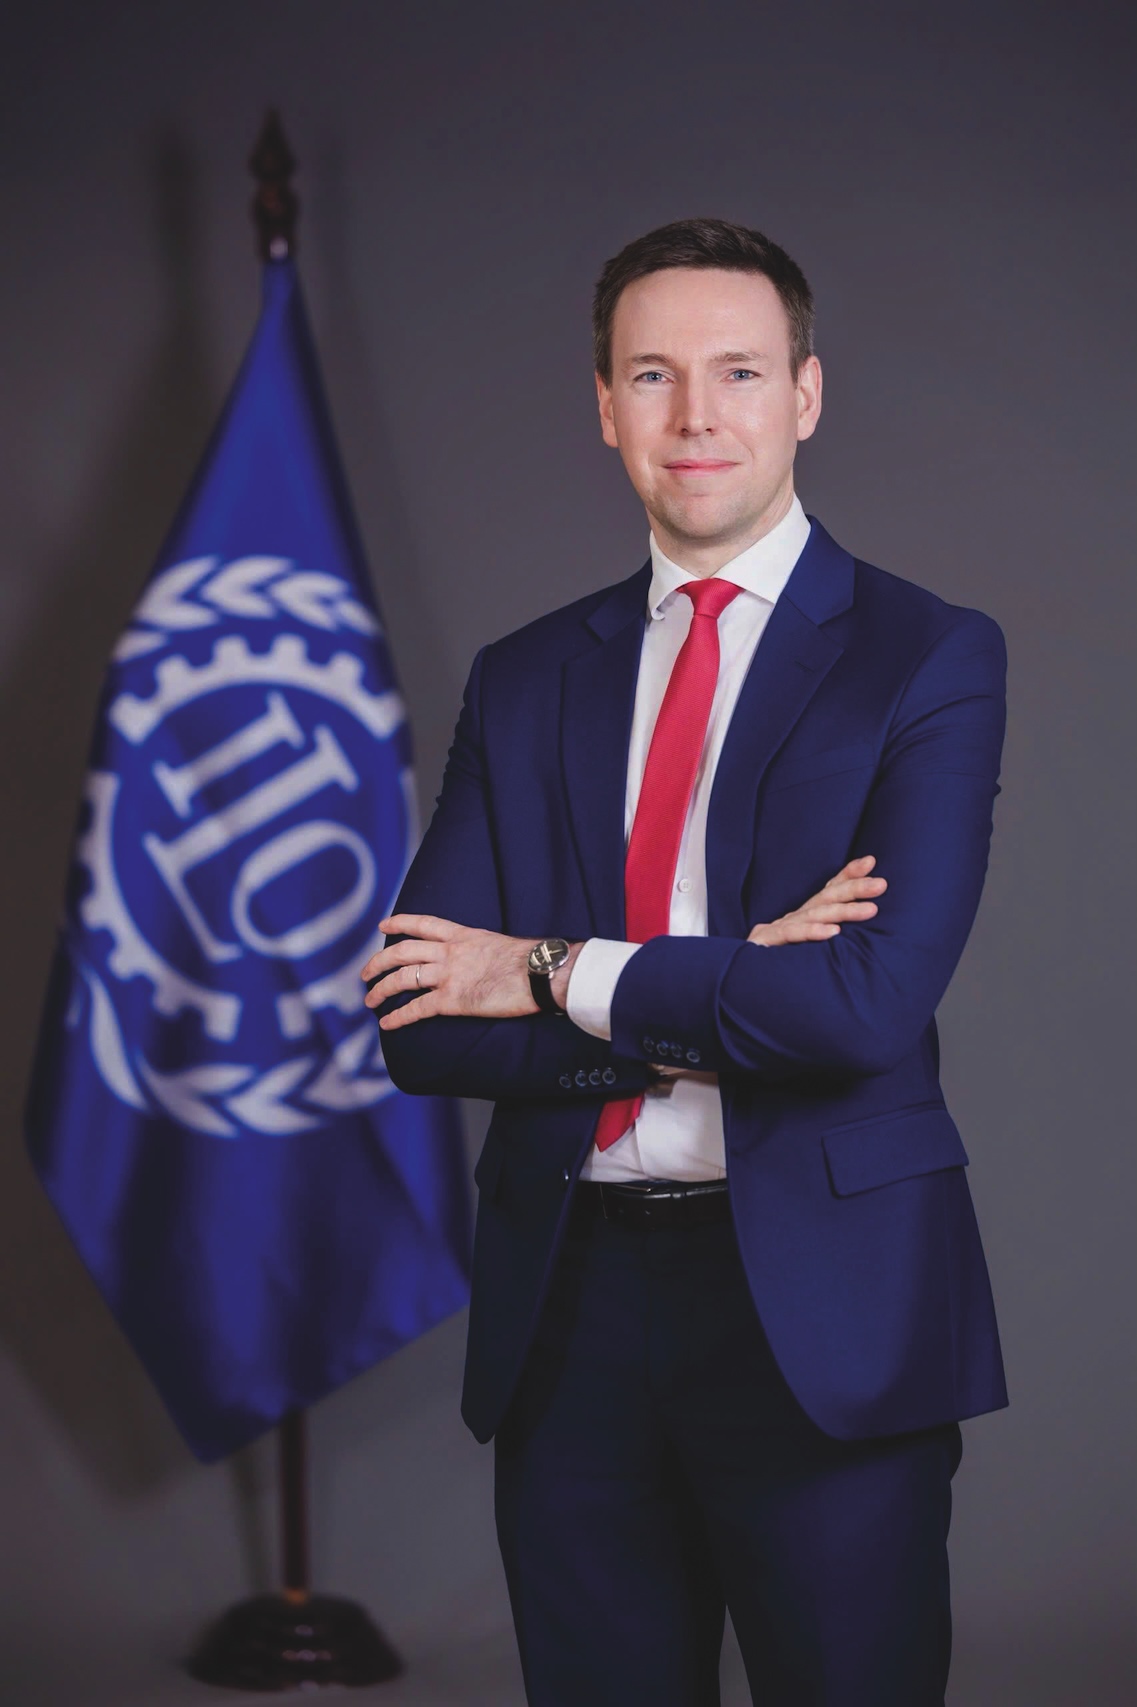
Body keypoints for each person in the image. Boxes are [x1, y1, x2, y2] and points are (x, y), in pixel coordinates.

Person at [362, 217, 1007, 1707]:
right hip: (570, 1306)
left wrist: (545, 964)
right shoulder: (527, 676)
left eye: (738, 371)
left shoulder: (924, 654)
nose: (696, 415)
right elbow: (422, 1022)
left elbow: (861, 1007)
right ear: (605, 407)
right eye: (652, 375)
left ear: (806, 394)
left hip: (824, 1311)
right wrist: (721, 983)